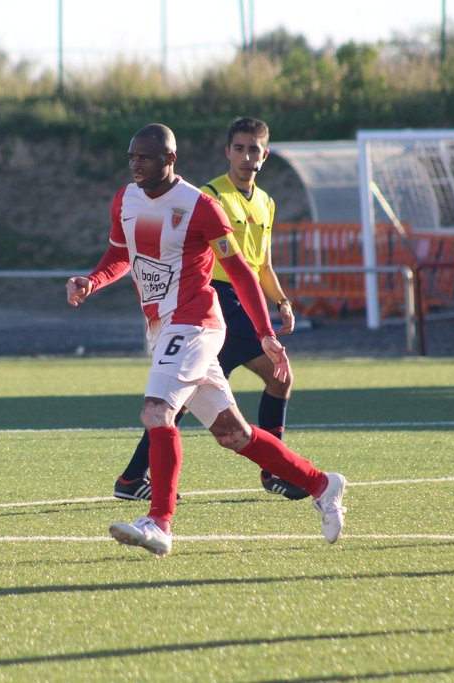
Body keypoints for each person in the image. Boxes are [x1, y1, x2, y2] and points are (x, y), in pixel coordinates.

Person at [66, 123, 346, 558]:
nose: (136, 165)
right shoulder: (125, 199)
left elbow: (241, 273)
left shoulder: (200, 206)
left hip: (195, 322)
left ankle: (159, 522)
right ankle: (322, 484)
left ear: (170, 159)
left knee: (156, 411)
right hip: (162, 327)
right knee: (233, 434)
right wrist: (92, 280)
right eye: (132, 157)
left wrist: (265, 333)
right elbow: (121, 254)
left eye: (145, 157)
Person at [111, 117, 308, 504]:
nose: (246, 157)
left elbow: (260, 266)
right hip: (210, 302)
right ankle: (276, 474)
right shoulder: (209, 197)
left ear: (265, 155)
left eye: (254, 150)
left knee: (189, 400)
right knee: (182, 399)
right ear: (227, 152)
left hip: (236, 304)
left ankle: (133, 478)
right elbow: (215, 261)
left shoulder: (266, 202)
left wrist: (280, 301)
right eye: (239, 149)